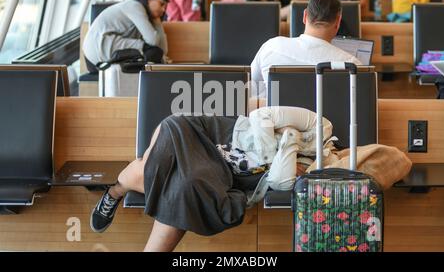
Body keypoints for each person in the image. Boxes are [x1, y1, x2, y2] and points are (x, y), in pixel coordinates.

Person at [89, 106, 334, 251]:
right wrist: (280, 147)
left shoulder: (315, 164)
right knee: (152, 173)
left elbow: (280, 182)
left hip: (217, 174)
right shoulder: (319, 125)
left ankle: (116, 191)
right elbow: (261, 115)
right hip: (199, 134)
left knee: (183, 186)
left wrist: (289, 146)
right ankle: (115, 192)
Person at [251, 0, 362, 97]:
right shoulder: (352, 66)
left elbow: (251, 87)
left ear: (305, 16)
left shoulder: (271, 47)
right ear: (338, 22)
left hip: (276, 115)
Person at [82, 0, 169, 73]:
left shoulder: (145, 19)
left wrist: (157, 22)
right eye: (161, 4)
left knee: (155, 54)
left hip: (98, 54)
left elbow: (163, 50)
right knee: (153, 53)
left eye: (165, 8)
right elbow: (152, 40)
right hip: (100, 46)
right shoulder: (134, 6)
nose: (163, 10)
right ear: (149, 0)